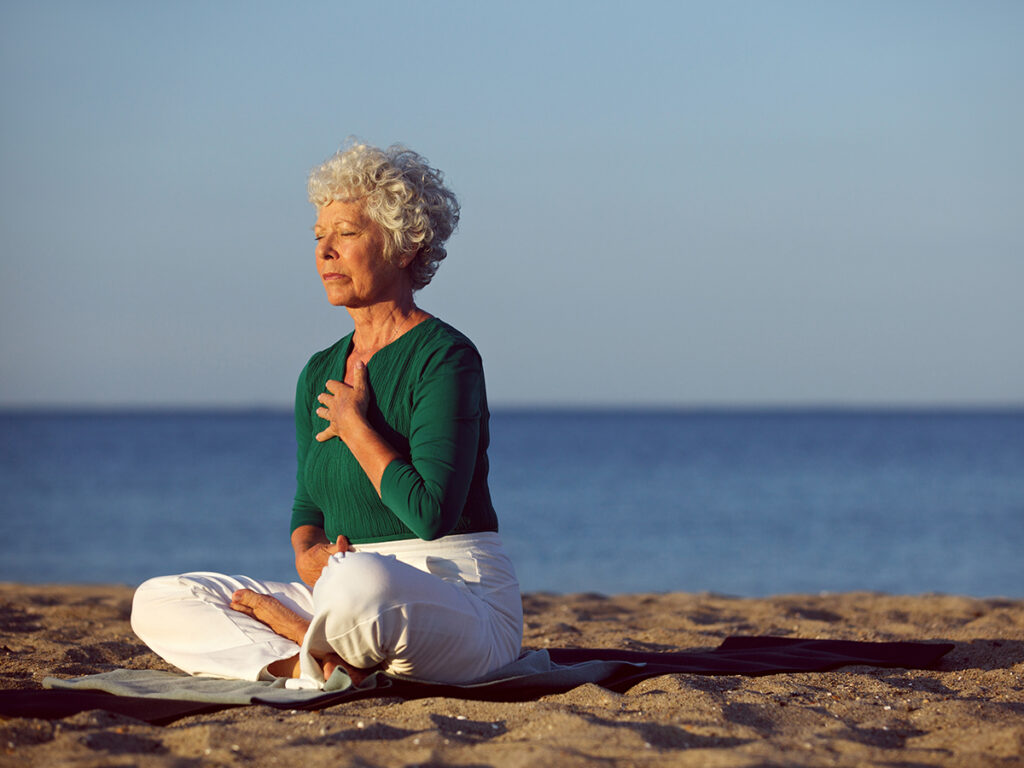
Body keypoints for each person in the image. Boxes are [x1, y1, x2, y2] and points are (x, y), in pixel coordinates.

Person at [131, 142, 523, 689]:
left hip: (457, 598)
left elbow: (432, 514)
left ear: (404, 245)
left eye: (346, 233)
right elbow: (307, 506)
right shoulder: (319, 370)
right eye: (319, 237)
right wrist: (306, 557)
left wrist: (355, 424)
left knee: (360, 584)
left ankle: (302, 634)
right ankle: (305, 662)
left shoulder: (446, 357)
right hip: (342, 589)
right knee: (160, 597)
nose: (325, 252)